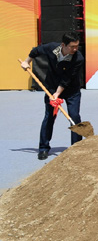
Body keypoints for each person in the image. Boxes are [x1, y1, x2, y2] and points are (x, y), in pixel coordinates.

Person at [20, 32, 85, 160]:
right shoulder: (51, 48)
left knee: (74, 116)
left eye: (77, 46)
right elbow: (36, 51)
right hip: (51, 88)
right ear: (63, 45)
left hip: (71, 91)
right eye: (72, 46)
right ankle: (43, 148)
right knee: (49, 116)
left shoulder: (78, 58)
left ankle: (76, 148)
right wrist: (27, 62)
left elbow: (67, 78)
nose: (75, 49)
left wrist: (57, 94)